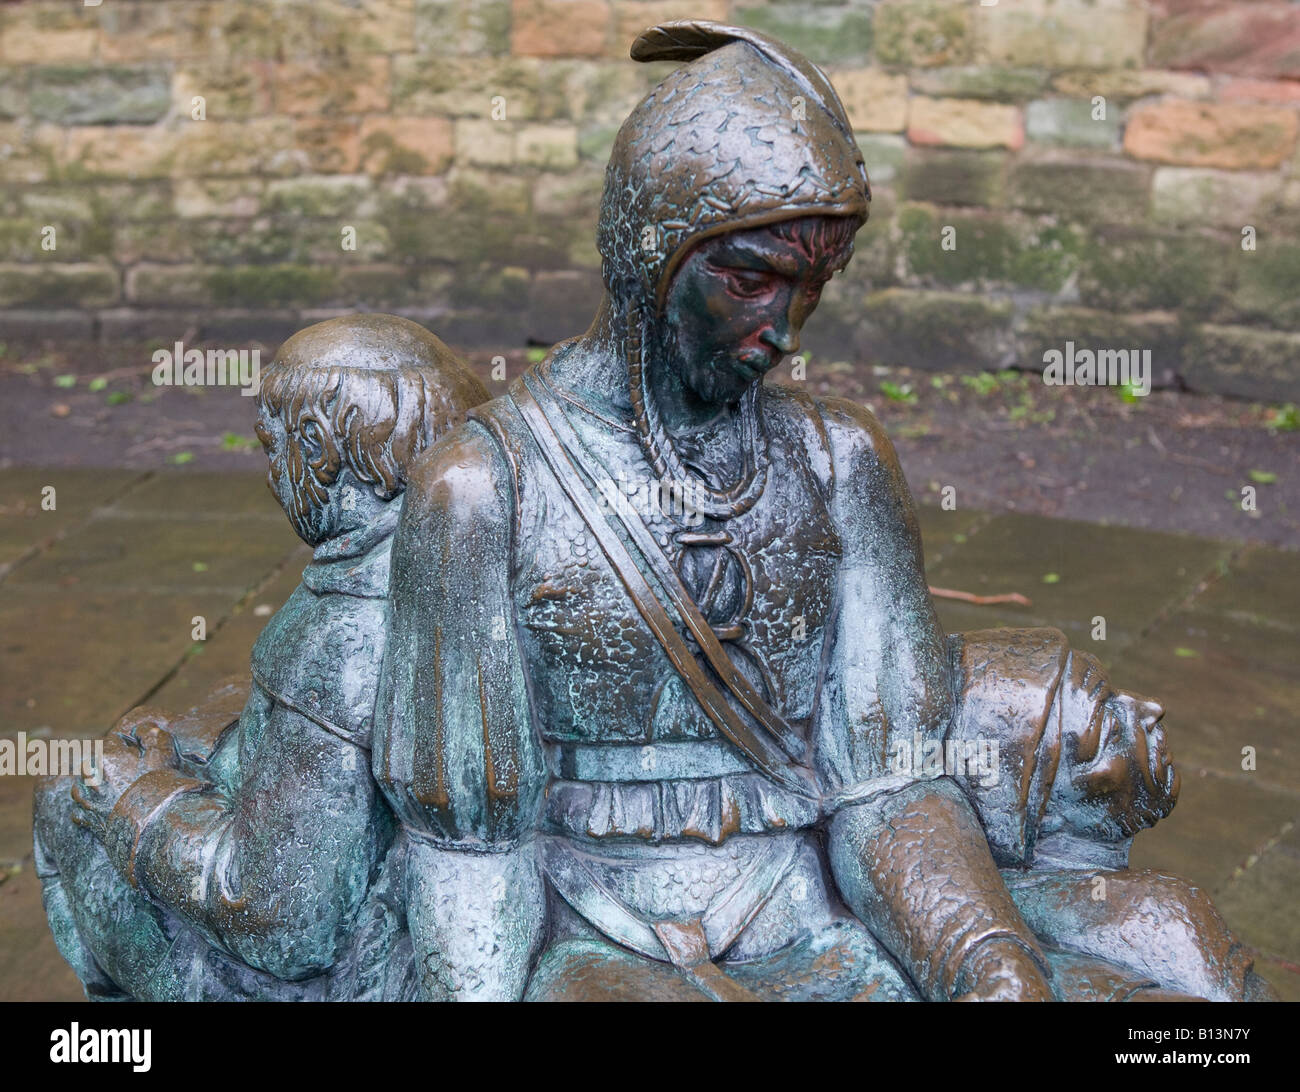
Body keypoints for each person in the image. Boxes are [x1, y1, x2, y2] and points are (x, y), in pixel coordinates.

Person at [374, 21, 1095, 1001]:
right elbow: (467, 840)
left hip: (804, 907)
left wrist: (985, 961)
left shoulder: (838, 461)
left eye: (811, 288)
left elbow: (888, 783)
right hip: (589, 926)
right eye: (748, 279)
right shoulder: (481, 488)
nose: (784, 333)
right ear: (646, 258)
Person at [34, 313, 487, 1000]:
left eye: (274, 449)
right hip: (428, 921)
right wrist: (201, 734)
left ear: (320, 449)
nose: (273, 477)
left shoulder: (342, 633)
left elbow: (279, 922)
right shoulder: (467, 557)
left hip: (357, 972)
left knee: (66, 797)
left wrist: (132, 799)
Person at [947, 627, 1277, 1001]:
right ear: (1046, 814)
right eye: (1110, 728)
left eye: (1116, 695)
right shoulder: (1159, 917)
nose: (1151, 708)